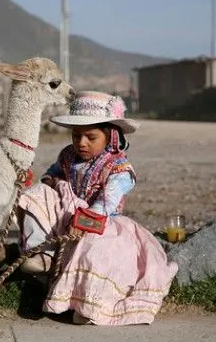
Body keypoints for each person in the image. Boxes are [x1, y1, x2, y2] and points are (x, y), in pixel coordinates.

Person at [16, 91, 178, 326]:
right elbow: (52, 174)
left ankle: (88, 304)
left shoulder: (120, 169)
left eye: (90, 137)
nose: (81, 143)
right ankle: (42, 254)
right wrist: (51, 182)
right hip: (67, 214)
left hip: (101, 224)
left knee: (96, 249)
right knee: (35, 194)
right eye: (76, 136)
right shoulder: (68, 155)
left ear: (111, 136)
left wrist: (84, 221)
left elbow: (106, 203)